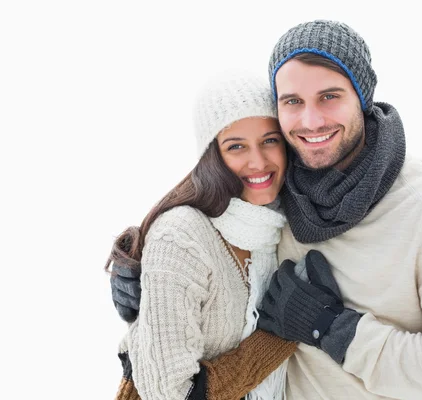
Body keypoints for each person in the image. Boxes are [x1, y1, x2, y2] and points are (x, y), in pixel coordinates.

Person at [111, 20, 422, 399]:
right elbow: (207, 226)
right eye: (293, 102)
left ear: (362, 97)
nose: (311, 121)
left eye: (330, 96)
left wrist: (330, 327)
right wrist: (148, 275)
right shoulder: (281, 187)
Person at [106, 71, 300, 400]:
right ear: (212, 156)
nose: (258, 161)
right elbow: (170, 393)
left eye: (270, 140)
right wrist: (278, 336)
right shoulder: (182, 235)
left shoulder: (280, 228)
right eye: (236, 146)